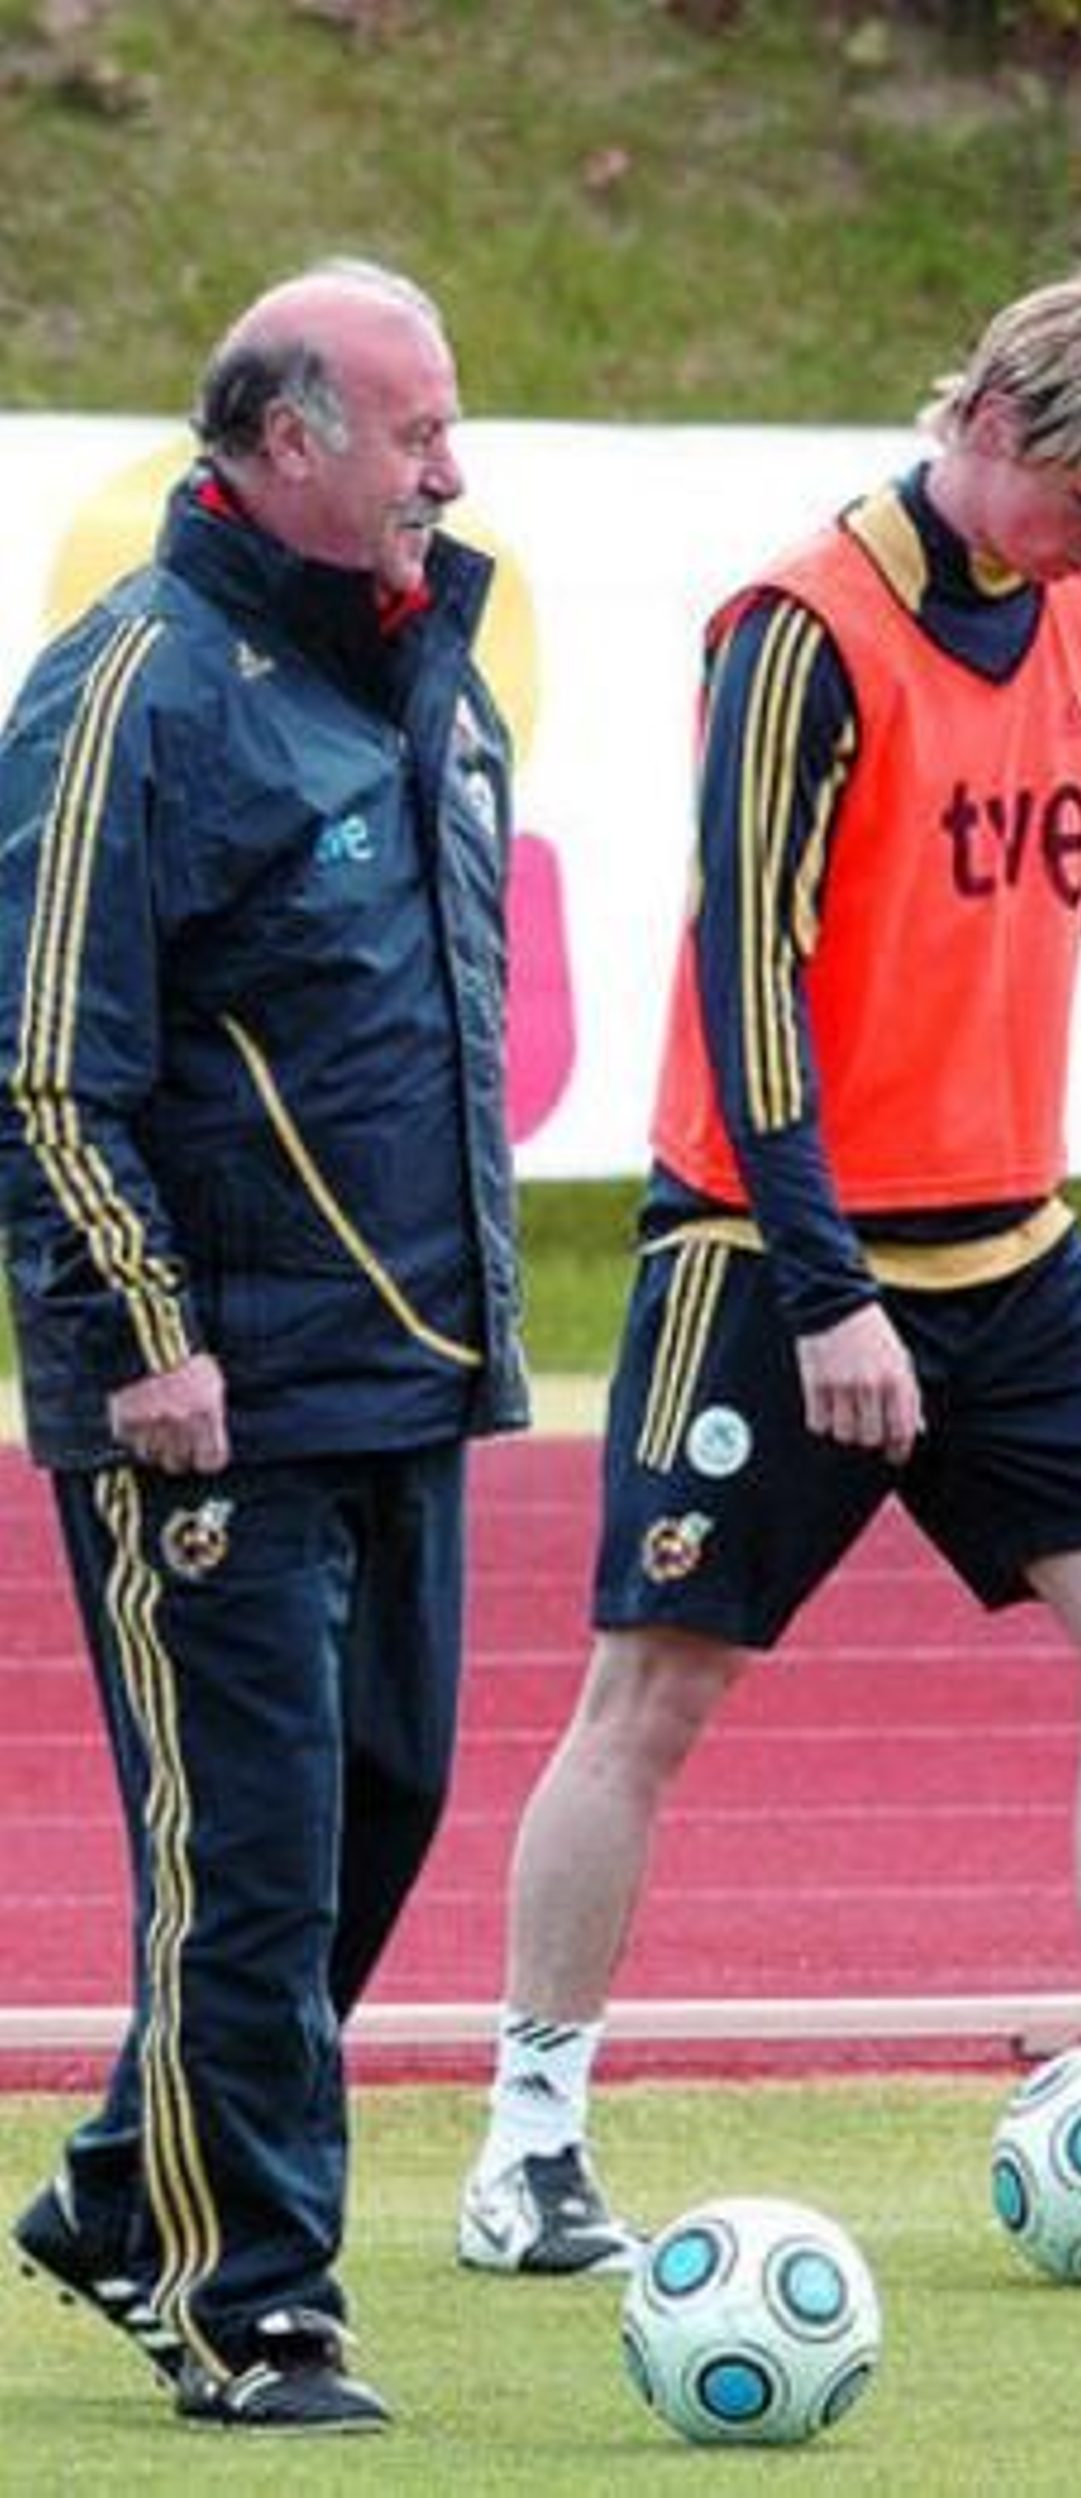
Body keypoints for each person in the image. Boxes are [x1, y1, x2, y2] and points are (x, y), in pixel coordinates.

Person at [457, 269, 1081, 2279]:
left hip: (1006, 1235)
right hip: (771, 1245)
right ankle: (525, 2135)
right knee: (655, 1688)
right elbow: (749, 979)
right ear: (982, 413)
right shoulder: (798, 630)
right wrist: (824, 1291)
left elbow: (962, 868)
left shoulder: (1072, 599)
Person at [0, 259, 528, 2431]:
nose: (449, 469)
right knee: (250, 1856)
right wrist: (143, 1334)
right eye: (415, 433)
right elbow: (46, 1059)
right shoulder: (130, 685)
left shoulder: (423, 676)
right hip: (206, 1400)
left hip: (408, 1365)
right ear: (286, 438)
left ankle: (129, 2184)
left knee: (379, 1812)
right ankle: (252, 2302)